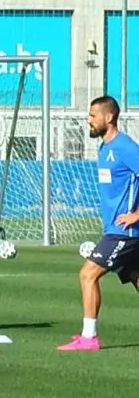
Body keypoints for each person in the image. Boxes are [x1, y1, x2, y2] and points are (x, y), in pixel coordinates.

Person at [58, 96, 139, 351]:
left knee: (88, 274)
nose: (89, 120)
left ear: (109, 117)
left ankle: (89, 337)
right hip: (118, 230)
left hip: (124, 232)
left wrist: (137, 215)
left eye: (93, 116)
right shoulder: (104, 148)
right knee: (136, 277)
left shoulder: (125, 147)